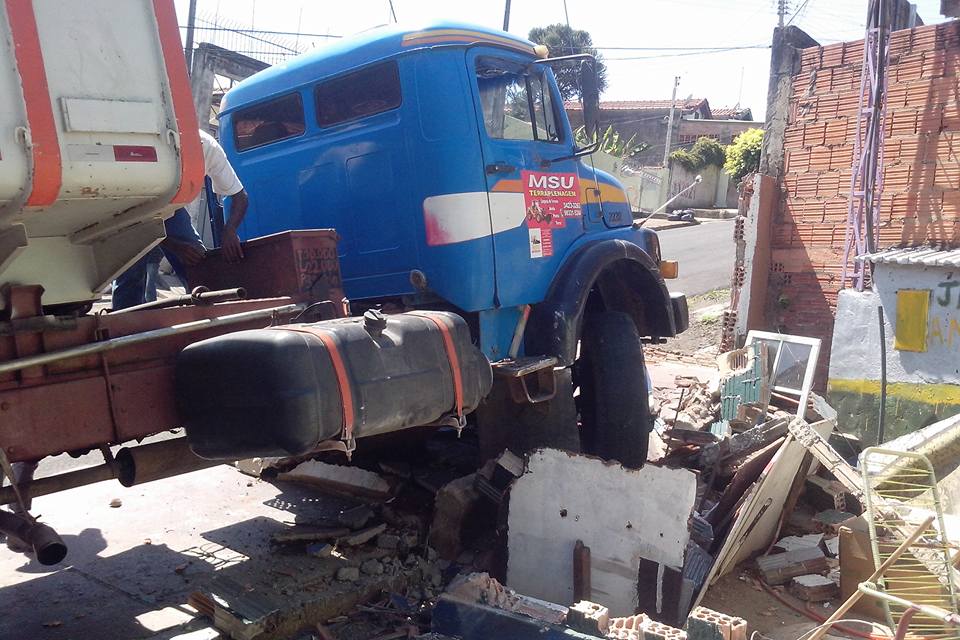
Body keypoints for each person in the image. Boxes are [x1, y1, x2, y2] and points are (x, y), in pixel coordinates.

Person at [112, 129, 249, 310]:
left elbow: (240, 196)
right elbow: (138, 217)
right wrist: (175, 246)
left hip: (172, 208)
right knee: (131, 273)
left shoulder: (210, 148)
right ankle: (124, 328)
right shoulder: (150, 146)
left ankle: (208, 317)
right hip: (134, 210)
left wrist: (230, 230)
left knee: (199, 260)